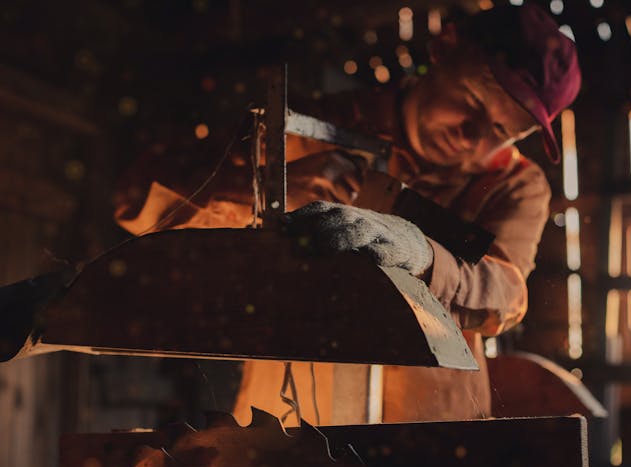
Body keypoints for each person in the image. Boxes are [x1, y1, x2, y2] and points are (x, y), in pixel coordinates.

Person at [114, 3, 581, 425]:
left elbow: (505, 294)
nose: (471, 136)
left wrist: (420, 252)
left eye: (501, 132)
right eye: (471, 103)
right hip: (290, 413)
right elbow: (137, 199)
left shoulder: (514, 185)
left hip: (433, 430)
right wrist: (265, 189)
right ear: (444, 47)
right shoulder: (317, 127)